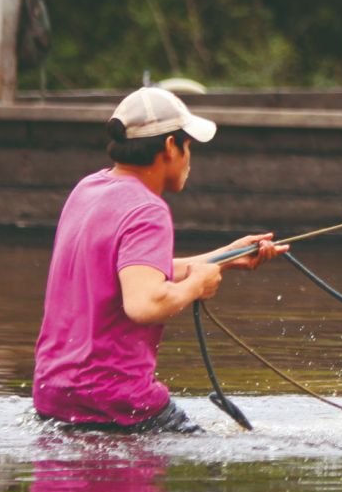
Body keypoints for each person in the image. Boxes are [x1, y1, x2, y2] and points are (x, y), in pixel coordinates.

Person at [33, 85, 286, 433]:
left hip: (55, 395)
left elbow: (132, 272)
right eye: (188, 146)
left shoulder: (88, 190)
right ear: (170, 147)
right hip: (117, 402)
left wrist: (225, 257)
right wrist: (197, 285)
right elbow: (144, 302)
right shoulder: (148, 209)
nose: (189, 159)